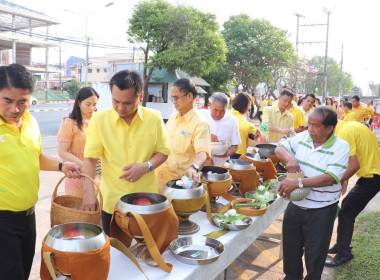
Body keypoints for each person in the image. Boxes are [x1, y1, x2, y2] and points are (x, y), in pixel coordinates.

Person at [0, 64, 81, 280]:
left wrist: (62, 166)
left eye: (22, 102)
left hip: (28, 217)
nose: (15, 109)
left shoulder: (31, 122)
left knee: (23, 272)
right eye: (7, 100)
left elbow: (36, 158)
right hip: (2, 221)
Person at [81, 70, 170, 236]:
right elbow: (90, 160)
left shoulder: (154, 118)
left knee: (145, 250)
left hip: (146, 201)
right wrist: (89, 192)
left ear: (141, 97)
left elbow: (163, 152)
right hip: (112, 203)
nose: (120, 108)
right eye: (116, 101)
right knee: (115, 252)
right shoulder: (99, 120)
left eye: (128, 103)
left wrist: (146, 166)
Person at [275, 106, 349, 280]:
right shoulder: (303, 137)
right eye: (309, 124)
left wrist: (298, 182)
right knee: (291, 253)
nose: (310, 129)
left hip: (321, 211)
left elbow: (329, 178)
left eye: (316, 125)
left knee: (314, 258)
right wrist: (291, 158)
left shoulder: (341, 147)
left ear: (330, 128)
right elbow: (279, 148)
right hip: (296, 206)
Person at [325, 121, 380, 267]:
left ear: (329, 128)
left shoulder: (344, 133)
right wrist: (345, 180)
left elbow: (354, 165)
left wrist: (334, 181)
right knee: (347, 209)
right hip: (372, 173)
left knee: (346, 213)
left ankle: (343, 254)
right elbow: (352, 160)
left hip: (372, 177)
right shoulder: (350, 125)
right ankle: (341, 245)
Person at [155, 78, 210, 192]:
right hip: (158, 181)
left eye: (176, 98)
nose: (173, 101)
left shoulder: (200, 123)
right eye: (172, 98)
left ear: (189, 96)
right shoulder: (173, 118)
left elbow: (202, 154)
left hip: (177, 186)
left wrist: (193, 168)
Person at [57, 87, 99, 196]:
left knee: (96, 210)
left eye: (94, 104)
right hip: (78, 174)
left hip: (98, 175)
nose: (92, 108)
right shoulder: (69, 123)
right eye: (88, 104)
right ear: (79, 103)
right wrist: (84, 165)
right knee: (77, 211)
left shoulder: (97, 122)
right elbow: (62, 152)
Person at [198, 92, 241, 166]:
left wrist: (225, 153)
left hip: (222, 165)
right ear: (210, 105)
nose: (218, 114)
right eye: (215, 110)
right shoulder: (200, 115)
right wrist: (207, 135)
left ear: (227, 108)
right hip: (200, 163)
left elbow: (235, 146)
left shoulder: (232, 120)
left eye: (222, 111)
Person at [230, 92, 260, 158]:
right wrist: (256, 131)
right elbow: (247, 126)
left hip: (226, 150)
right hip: (238, 152)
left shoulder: (228, 113)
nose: (249, 108)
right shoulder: (246, 124)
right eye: (249, 105)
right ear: (246, 106)